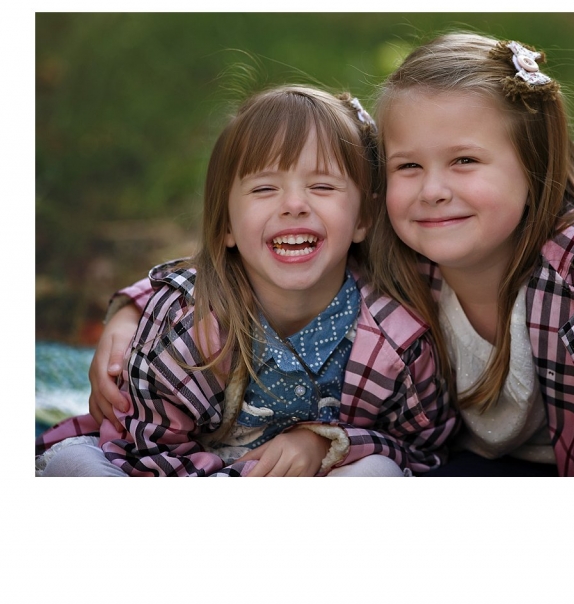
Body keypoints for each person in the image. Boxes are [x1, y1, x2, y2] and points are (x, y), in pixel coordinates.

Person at [83, 32, 574, 476]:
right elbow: (262, 255)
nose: (433, 190)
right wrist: (132, 310)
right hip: (464, 466)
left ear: (535, 167)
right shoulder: (403, 249)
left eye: (465, 161)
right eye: (408, 166)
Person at [35, 85, 456, 476]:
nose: (294, 204)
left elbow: (423, 450)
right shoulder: (186, 321)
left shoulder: (397, 340)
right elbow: (148, 450)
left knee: (378, 472)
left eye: (322, 185)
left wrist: (330, 444)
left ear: (363, 217)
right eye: (264, 189)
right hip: (173, 472)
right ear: (226, 225)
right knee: (74, 466)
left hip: (315, 480)